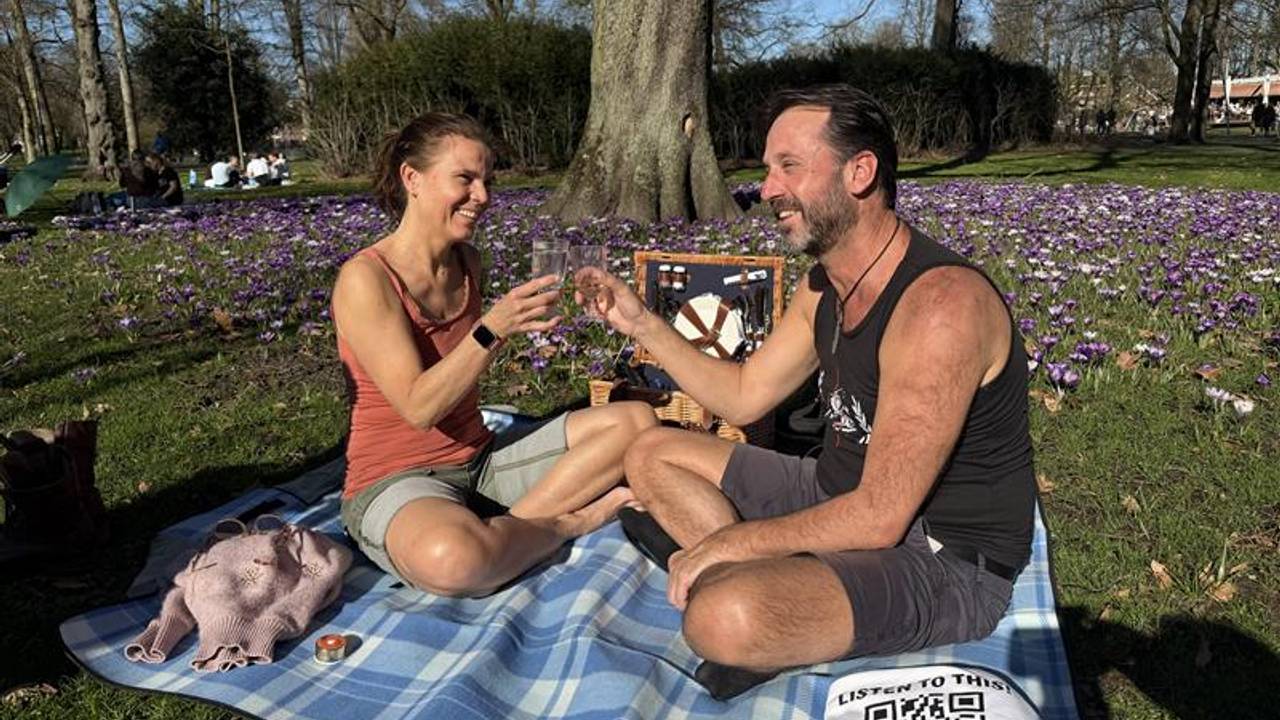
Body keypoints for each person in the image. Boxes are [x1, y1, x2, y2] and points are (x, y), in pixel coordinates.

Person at [575, 84, 1036, 699]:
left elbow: (881, 516)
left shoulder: (940, 307)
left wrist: (728, 543)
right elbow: (742, 397)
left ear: (861, 172)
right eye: (768, 170)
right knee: (650, 454)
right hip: (835, 492)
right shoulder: (825, 286)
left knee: (721, 618)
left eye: (789, 166)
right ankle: (771, 577)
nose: (766, 190)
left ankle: (755, 584)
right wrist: (641, 324)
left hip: (944, 559)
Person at [331, 112, 656, 598]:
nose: (482, 196)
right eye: (465, 178)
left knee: (637, 423)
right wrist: (492, 330)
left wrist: (534, 322)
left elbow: (470, 358)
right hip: (395, 480)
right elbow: (419, 407)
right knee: (455, 561)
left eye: (487, 181)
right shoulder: (367, 278)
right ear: (412, 179)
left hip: (480, 463)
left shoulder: (469, 262)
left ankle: (510, 531)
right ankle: (562, 524)